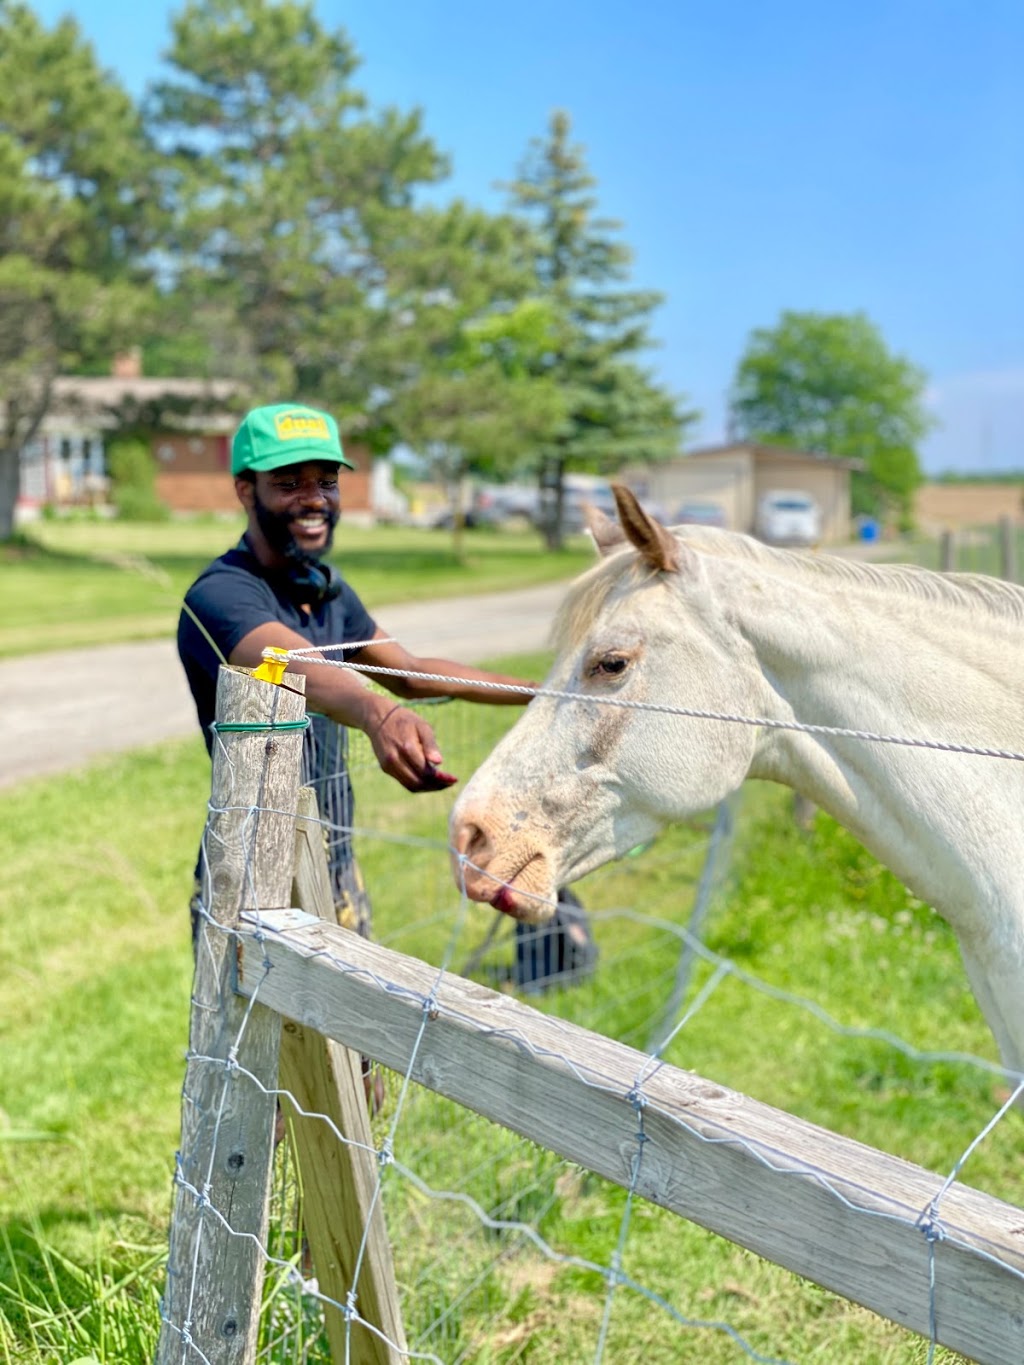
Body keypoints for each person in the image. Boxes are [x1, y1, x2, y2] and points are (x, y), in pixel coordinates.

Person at [177, 402, 596, 995]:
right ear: (246, 489)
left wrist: (547, 694)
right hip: (251, 875)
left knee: (357, 1073)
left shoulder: (325, 593)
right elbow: (284, 661)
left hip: (337, 871)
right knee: (256, 1072)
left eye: (325, 481)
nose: (314, 498)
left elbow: (412, 672)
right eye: (288, 483)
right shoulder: (221, 596)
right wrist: (377, 712)